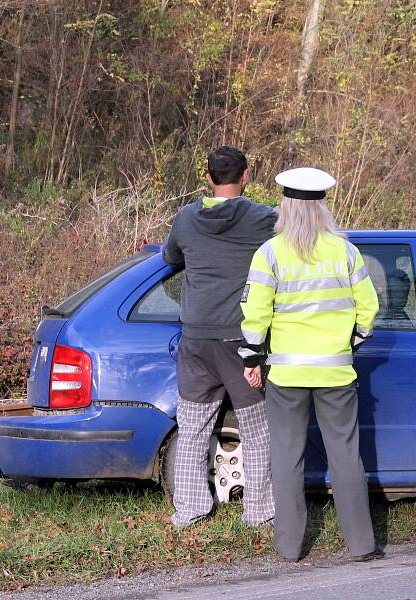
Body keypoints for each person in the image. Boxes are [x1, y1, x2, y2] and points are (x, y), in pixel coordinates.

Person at [238, 167, 382, 561]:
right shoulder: (346, 251)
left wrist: (252, 356)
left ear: (284, 207)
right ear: (322, 207)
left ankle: (289, 548)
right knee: (346, 455)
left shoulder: (269, 253)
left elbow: (256, 314)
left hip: (286, 375)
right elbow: (368, 310)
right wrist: (351, 341)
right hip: (336, 372)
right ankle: (362, 545)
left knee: (287, 457)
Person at [163, 145, 277, 528]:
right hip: (239, 341)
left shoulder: (185, 219)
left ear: (209, 179)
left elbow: (170, 258)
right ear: (246, 176)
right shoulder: (263, 219)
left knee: (193, 426)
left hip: (195, 338)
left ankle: (191, 509)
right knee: (257, 429)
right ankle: (259, 512)